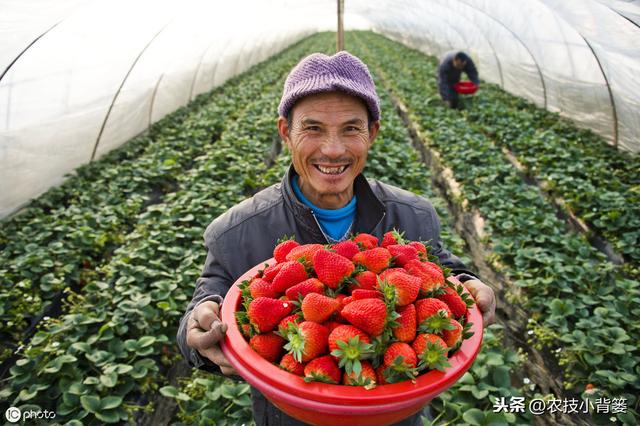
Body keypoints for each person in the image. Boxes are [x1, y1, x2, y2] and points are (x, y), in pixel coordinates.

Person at [177, 51, 496, 426]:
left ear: (372, 133)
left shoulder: (413, 215)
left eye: (350, 128)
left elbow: (441, 270)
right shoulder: (237, 232)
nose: (333, 149)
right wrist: (198, 333)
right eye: (312, 128)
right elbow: (205, 304)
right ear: (285, 132)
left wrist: (469, 286)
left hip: (395, 415)